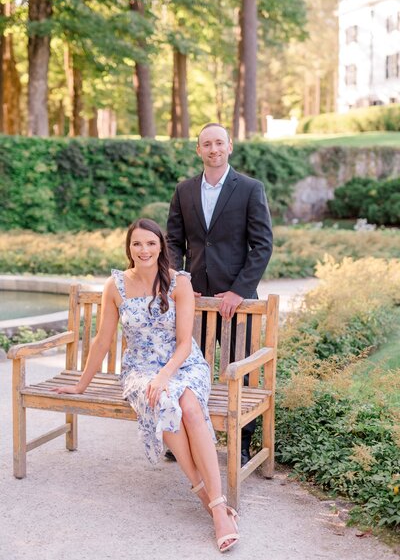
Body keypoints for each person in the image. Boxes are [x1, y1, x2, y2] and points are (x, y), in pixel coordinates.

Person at [53, 218, 239, 553]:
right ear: (129, 248)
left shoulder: (179, 282)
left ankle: (217, 504)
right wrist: (81, 386)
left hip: (182, 364)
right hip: (140, 370)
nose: (144, 250)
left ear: (161, 247)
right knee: (163, 401)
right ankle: (208, 499)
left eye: (150, 243)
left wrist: (165, 374)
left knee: (190, 408)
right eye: (137, 244)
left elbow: (185, 343)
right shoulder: (116, 286)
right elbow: (102, 340)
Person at [167, 123, 273, 466]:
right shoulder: (183, 191)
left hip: (236, 301)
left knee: (238, 370)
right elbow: (173, 241)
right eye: (206, 144)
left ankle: (240, 445)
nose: (213, 149)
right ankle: (181, 438)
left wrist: (239, 290)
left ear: (229, 147)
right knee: (185, 369)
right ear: (198, 150)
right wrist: (182, 282)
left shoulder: (250, 189)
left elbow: (262, 245)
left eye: (219, 143)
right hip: (193, 302)